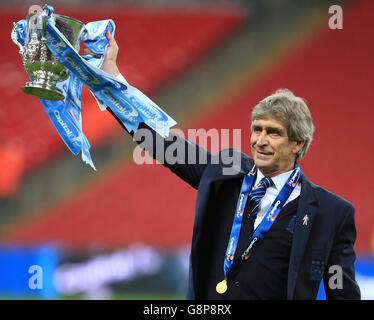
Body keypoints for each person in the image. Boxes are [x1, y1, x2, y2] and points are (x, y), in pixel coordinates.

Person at [92, 31, 361, 300]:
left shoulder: (331, 214)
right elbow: (161, 143)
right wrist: (112, 80)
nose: (260, 141)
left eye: (274, 133)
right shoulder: (225, 172)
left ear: (298, 144)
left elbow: (343, 294)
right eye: (257, 130)